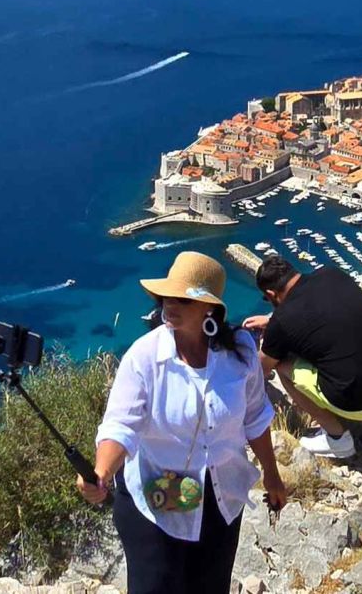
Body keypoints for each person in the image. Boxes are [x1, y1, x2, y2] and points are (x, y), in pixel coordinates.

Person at [77, 251, 286, 594]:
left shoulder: (241, 352)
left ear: (209, 308)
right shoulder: (144, 356)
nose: (169, 305)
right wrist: (101, 472)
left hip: (219, 496)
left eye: (182, 299)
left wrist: (273, 477)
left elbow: (255, 417)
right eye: (166, 297)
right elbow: (121, 425)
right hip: (156, 497)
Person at [244, 256, 362, 459]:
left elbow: (262, 367)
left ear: (271, 294)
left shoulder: (282, 321)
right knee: (355, 342)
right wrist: (272, 323)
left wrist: (268, 339)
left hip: (359, 403)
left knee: (282, 366)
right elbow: (327, 314)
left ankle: (337, 438)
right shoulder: (332, 274)